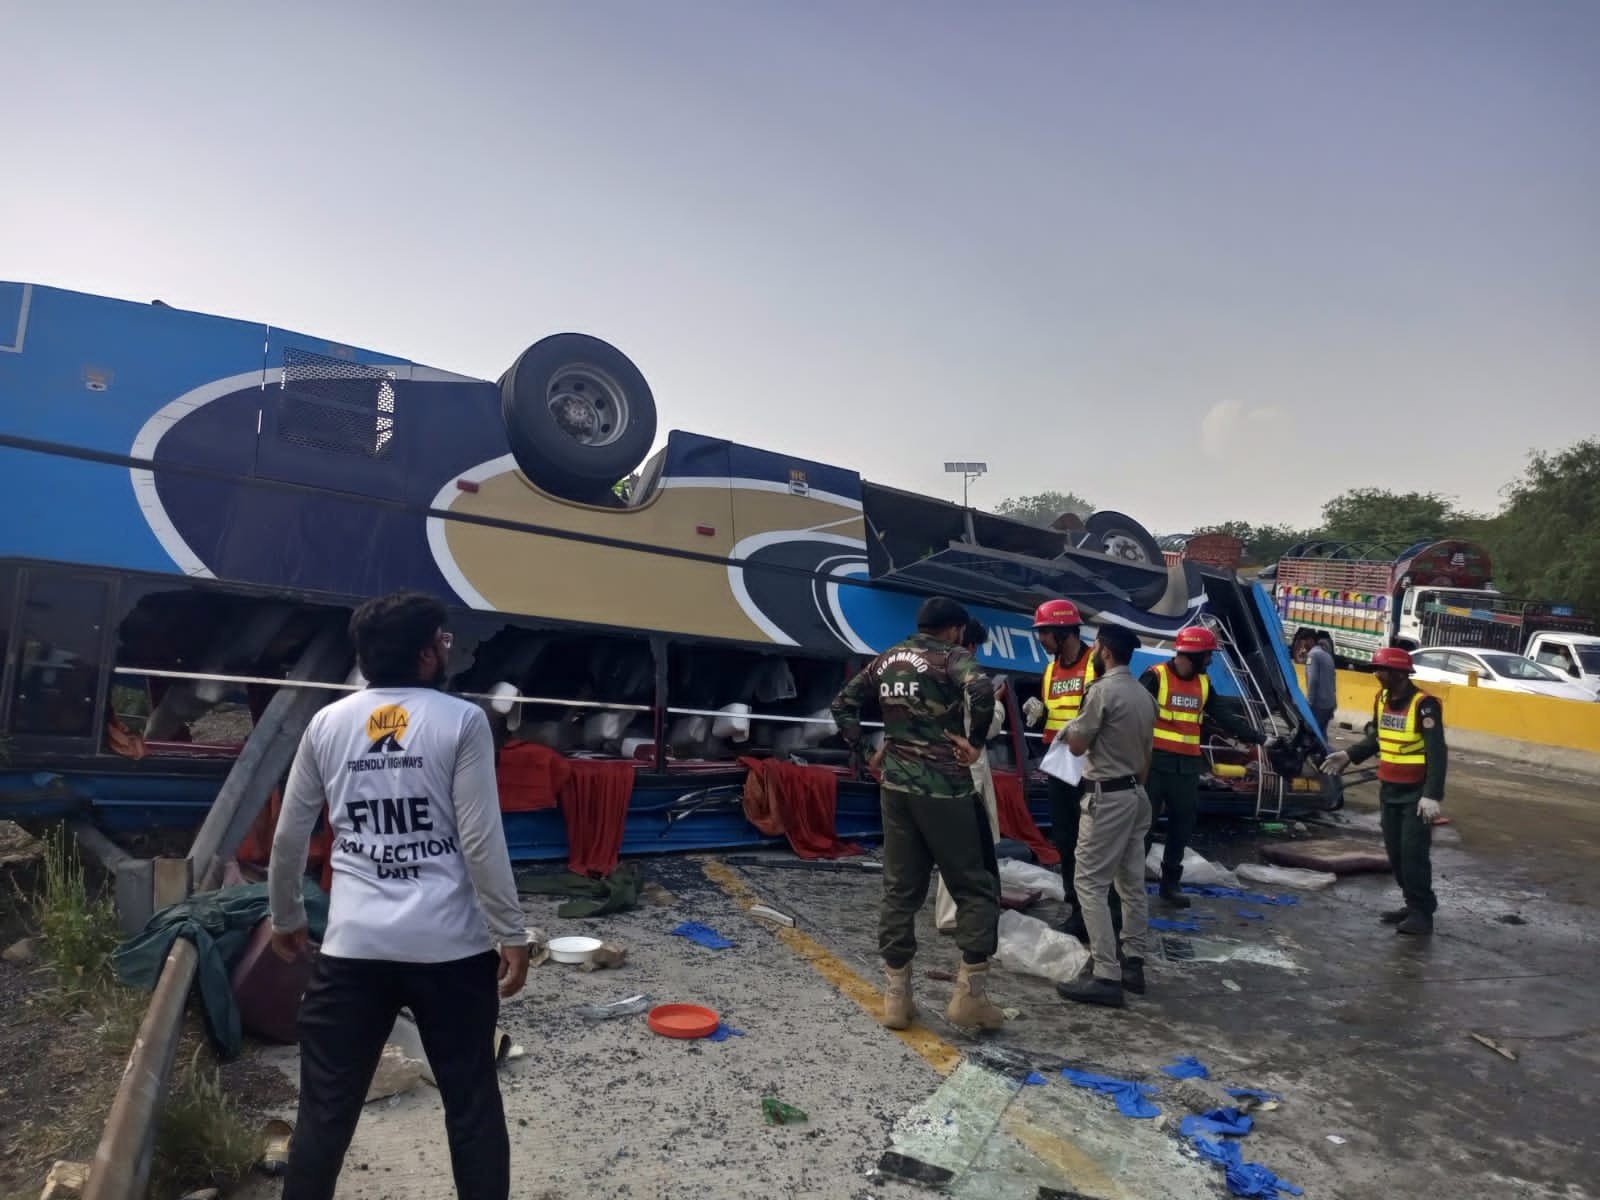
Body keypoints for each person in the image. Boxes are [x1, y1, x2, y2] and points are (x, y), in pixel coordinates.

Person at [269, 591, 531, 1200]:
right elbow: (480, 840)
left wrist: (285, 915)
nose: (447, 648)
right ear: (425, 654)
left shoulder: (327, 723)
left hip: (353, 950)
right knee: (470, 1102)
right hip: (451, 952)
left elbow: (289, 835)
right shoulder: (462, 721)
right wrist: (510, 932)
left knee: (325, 1111)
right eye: (444, 639)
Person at [832, 595, 1003, 1031]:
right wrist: (975, 742)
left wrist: (864, 752)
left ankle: (897, 998)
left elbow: (843, 703)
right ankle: (969, 998)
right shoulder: (952, 657)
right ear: (956, 629)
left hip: (895, 789)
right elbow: (981, 689)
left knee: (900, 889)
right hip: (945, 789)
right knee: (976, 886)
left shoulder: (887, 659)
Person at [1054, 623, 1157, 1009]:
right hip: (1136, 794)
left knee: (1090, 883)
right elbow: (1146, 755)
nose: (1093, 651)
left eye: (1096, 646)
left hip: (1107, 797)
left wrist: (1068, 729)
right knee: (1131, 883)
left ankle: (1105, 974)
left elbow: (1078, 746)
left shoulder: (1101, 691)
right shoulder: (1144, 695)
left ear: (1106, 652)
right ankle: (1133, 963)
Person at [1319, 645, 1445, 935]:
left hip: (1416, 793)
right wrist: (1349, 754)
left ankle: (1422, 913)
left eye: (1382, 670)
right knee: (1396, 853)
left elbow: (1437, 752)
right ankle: (1412, 903)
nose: (1376, 674)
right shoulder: (1382, 699)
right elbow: (1377, 736)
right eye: (1376, 669)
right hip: (1389, 789)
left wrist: (1432, 794)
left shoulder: (1424, 705)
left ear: (1400, 673)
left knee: (1413, 854)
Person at [1140, 625, 1267, 908]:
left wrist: (1261, 739)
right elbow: (1133, 715)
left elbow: (1225, 717)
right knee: (1142, 827)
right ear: (1194, 655)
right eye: (1208, 655)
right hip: (1154, 765)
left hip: (1187, 768)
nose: (1210, 660)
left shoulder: (1204, 683)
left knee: (1182, 827)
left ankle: (1170, 885)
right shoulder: (1155, 677)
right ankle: (1131, 885)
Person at [1020, 598, 1117, 941]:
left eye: (1044, 633)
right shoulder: (1050, 671)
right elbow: (1057, 714)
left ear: (1064, 632)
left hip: (1092, 766)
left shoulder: (1096, 664)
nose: (1040, 640)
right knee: (1065, 839)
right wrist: (1040, 714)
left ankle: (1104, 912)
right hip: (1061, 767)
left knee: (1094, 843)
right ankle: (1077, 909)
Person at [931, 617, 1004, 934]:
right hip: (964, 771)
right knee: (963, 848)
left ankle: (959, 909)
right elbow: (988, 726)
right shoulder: (969, 676)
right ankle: (953, 917)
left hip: (933, 767)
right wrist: (996, 703)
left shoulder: (930, 670)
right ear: (970, 645)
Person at [1305, 633, 1337, 738]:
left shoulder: (1312, 655)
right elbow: (1333, 680)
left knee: (1312, 735)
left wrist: (1309, 702)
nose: (1303, 646)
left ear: (1310, 640)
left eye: (1304, 641)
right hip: (1329, 704)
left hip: (1319, 704)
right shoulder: (1328, 656)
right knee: (1322, 735)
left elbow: (1312, 679)